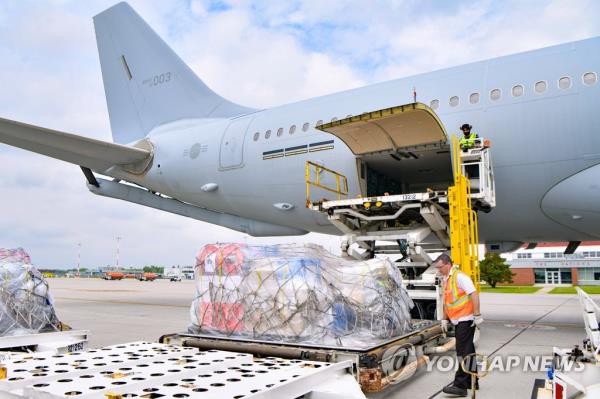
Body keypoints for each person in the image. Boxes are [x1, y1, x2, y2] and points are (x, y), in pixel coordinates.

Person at [434, 253, 483, 397]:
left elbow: (474, 294)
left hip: (466, 320)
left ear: (447, 264)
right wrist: (444, 319)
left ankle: (460, 386)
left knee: (463, 353)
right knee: (469, 351)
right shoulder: (446, 279)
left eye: (440, 267)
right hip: (458, 320)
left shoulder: (460, 277)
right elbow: (446, 301)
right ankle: (472, 381)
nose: (438, 270)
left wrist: (477, 314)